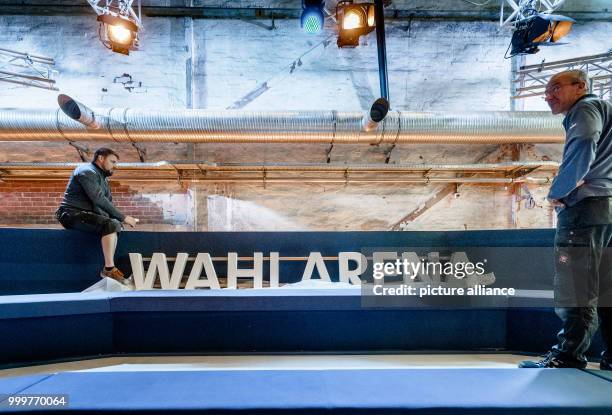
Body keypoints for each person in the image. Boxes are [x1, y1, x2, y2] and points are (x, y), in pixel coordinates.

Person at [519, 70, 612, 370]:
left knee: (576, 287)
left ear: (581, 87)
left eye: (557, 88)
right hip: (607, 209)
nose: (549, 95)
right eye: (546, 91)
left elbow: (585, 139)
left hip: (584, 211)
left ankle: (568, 355)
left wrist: (560, 190)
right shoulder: (607, 110)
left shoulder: (585, 108)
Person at [55, 147, 138, 284]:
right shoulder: (86, 171)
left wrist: (117, 221)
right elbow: (98, 199)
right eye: (112, 161)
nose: (114, 166)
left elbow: (106, 204)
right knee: (111, 224)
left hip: (87, 215)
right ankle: (109, 269)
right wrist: (123, 217)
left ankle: (110, 268)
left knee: (114, 224)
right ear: (101, 158)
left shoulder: (103, 179)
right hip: (71, 214)